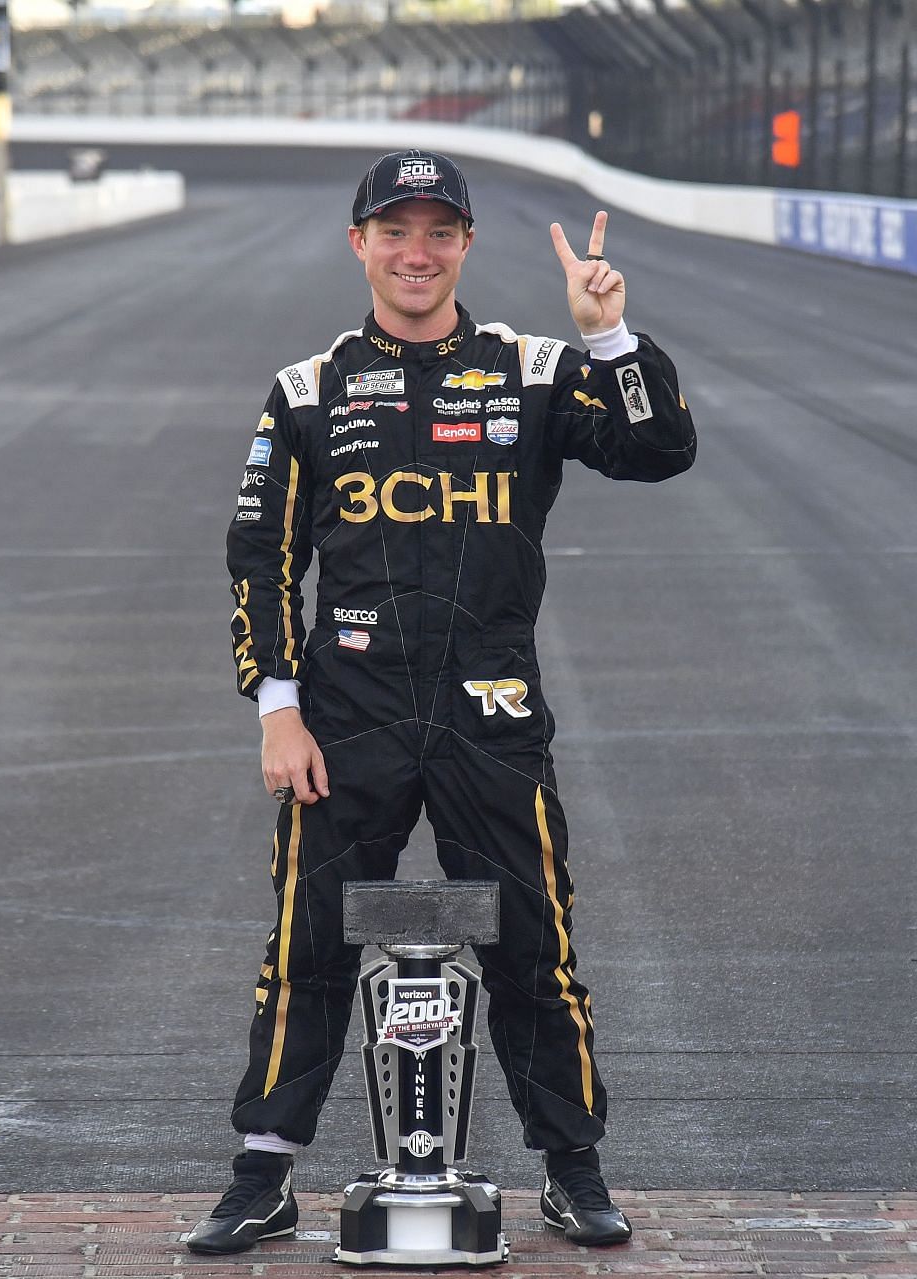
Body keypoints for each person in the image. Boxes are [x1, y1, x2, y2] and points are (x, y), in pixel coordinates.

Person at [186, 149, 696, 1256]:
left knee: (533, 945)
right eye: (395, 231)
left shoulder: (536, 364)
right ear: (359, 242)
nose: (417, 253)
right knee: (307, 941)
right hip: (347, 712)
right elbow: (257, 555)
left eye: (439, 233)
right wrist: (277, 705)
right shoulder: (309, 386)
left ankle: (574, 1169)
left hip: (492, 707)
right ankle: (262, 1174)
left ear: (466, 245)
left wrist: (610, 332)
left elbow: (660, 450)